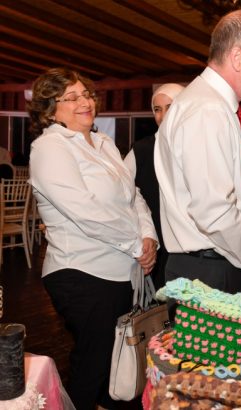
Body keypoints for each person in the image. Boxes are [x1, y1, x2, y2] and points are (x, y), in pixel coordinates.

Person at [28, 67, 158, 409]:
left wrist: (148, 235)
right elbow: (84, 211)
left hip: (121, 270)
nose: (84, 102)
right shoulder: (49, 147)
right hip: (82, 271)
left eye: (86, 94)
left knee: (118, 365)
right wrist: (135, 245)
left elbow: (133, 195)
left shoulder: (103, 143)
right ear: (50, 110)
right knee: (94, 366)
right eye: (71, 98)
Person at [154, 10, 241, 293]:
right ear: (237, 57)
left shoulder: (211, 105)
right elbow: (215, 212)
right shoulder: (207, 110)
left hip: (215, 264)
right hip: (210, 272)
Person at [124, 83, 184, 290]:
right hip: (157, 247)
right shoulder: (141, 150)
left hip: (193, 250)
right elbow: (121, 193)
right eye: (157, 109)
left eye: (170, 107)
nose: (163, 115)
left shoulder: (198, 146)